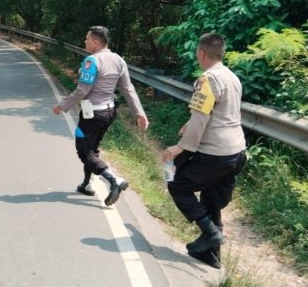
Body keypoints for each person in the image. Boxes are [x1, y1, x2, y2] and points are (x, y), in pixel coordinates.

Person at [161, 33, 247, 269]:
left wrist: (181, 147)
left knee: (178, 186)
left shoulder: (207, 79)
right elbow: (220, 112)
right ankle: (212, 256)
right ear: (221, 53)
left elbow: (201, 117)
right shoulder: (232, 77)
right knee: (212, 200)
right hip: (237, 152)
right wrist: (190, 125)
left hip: (216, 152)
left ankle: (211, 233)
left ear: (201, 53)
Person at [53, 26, 149, 206]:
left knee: (84, 150)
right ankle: (87, 184)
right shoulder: (119, 60)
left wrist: (62, 105)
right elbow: (128, 89)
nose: (85, 41)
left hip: (93, 114)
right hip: (109, 112)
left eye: (87, 39)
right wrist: (139, 113)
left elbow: (82, 91)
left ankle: (114, 180)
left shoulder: (92, 61)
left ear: (96, 42)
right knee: (92, 147)